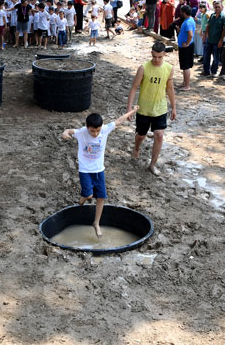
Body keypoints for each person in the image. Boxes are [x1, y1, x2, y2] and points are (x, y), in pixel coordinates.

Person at [61, 108, 137, 237]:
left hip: (99, 170)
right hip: (85, 170)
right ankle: (83, 198)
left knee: (101, 197)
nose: (95, 133)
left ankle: (96, 223)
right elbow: (69, 130)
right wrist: (65, 132)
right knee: (90, 195)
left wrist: (133, 110)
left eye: (98, 130)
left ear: (101, 127)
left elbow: (119, 120)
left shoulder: (105, 130)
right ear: (87, 127)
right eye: (92, 131)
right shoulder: (81, 133)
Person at [126, 42, 177, 176]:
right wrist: (129, 108)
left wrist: (174, 107)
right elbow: (134, 88)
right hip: (144, 108)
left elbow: (170, 89)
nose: (156, 60)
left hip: (160, 108)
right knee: (141, 135)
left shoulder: (169, 68)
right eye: (154, 56)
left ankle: (152, 164)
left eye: (159, 57)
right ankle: (136, 148)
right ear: (151, 54)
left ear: (164, 54)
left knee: (159, 135)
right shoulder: (143, 68)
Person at [202, 0, 225, 77]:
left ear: (222, 7)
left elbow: (224, 29)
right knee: (206, 56)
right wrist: (205, 35)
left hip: (217, 40)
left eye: (218, 7)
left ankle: (213, 72)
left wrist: (221, 40)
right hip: (209, 39)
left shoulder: (224, 17)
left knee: (216, 57)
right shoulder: (212, 15)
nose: (217, 8)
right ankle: (206, 71)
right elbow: (208, 26)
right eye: (215, 7)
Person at [177, 5, 195, 91]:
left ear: (184, 13)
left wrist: (187, 43)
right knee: (184, 66)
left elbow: (190, 34)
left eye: (181, 12)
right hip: (184, 46)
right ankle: (185, 82)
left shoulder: (188, 22)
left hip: (186, 47)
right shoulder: (189, 20)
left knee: (186, 66)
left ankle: (187, 85)